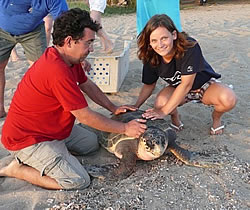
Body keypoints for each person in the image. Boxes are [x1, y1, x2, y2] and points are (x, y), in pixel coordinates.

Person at [0, 8, 146, 190]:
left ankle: (55, 156)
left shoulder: (68, 59)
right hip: (28, 139)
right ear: (69, 41)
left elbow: (86, 84)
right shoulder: (56, 70)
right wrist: (125, 128)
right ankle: (16, 169)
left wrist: (112, 107)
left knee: (91, 144)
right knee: (78, 180)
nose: (91, 49)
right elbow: (84, 116)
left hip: (52, 130)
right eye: (88, 43)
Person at [133, 14, 237, 135]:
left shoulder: (189, 46)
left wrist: (163, 112)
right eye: (154, 41)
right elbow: (149, 84)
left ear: (174, 35)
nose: (160, 45)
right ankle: (175, 119)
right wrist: (136, 106)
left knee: (228, 99)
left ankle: (217, 118)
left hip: (204, 86)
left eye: (164, 38)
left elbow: (186, 84)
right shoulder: (150, 56)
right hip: (178, 88)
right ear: (149, 43)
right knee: (160, 103)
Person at [0, 0, 68, 118]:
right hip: (2, 29)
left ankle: (41, 110)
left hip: (33, 31)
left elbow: (65, 24)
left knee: (41, 72)